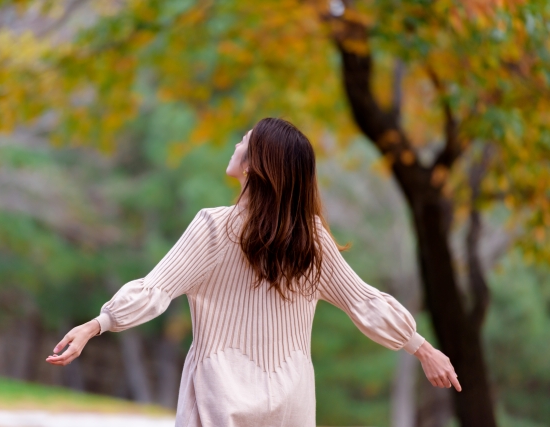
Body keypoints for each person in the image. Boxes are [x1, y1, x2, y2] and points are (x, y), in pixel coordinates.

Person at [46, 117, 461, 426]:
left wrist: (98, 324)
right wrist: (423, 348)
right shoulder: (310, 239)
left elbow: (154, 291)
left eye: (244, 141)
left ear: (255, 164)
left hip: (217, 399)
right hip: (291, 405)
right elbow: (365, 304)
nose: (236, 144)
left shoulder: (212, 227)